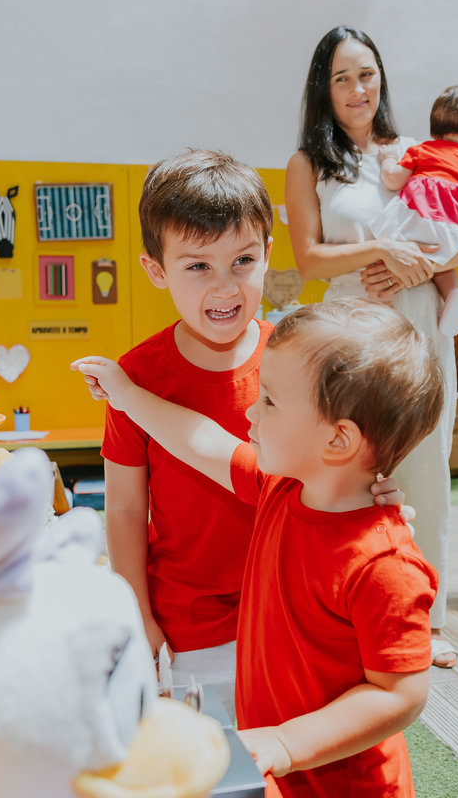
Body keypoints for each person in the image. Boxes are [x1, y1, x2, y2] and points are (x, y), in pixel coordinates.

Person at [73, 299, 443, 797]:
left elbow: (400, 693)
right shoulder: (279, 490)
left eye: (268, 401)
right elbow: (200, 439)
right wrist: (127, 396)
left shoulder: (385, 565)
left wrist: (286, 742)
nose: (250, 410)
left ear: (338, 440)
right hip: (278, 771)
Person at [101, 149, 408, 712]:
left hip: (295, 607)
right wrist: (137, 612)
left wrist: (369, 494)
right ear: (156, 270)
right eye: (198, 266)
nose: (225, 287)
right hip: (189, 622)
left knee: (291, 743)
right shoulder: (136, 380)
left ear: (267, 254)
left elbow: (335, 466)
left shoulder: (298, 360)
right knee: (208, 749)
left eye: (242, 260)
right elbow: (123, 507)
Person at [284, 26, 458, 668]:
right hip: (350, 324)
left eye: (367, 74)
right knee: (351, 466)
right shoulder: (309, 164)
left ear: (381, 79)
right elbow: (309, 259)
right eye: (342, 78)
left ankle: (423, 619)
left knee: (425, 468)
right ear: (324, 88)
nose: (358, 89)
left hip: (419, 317)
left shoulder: (412, 150)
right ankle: (348, 610)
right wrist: (381, 251)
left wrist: (415, 268)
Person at [373, 84, 458, 333]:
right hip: (449, 233)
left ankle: (383, 306)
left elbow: (393, 180)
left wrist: (388, 158)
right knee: (445, 266)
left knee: (386, 260)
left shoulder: (421, 150)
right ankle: (453, 295)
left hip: (409, 225)